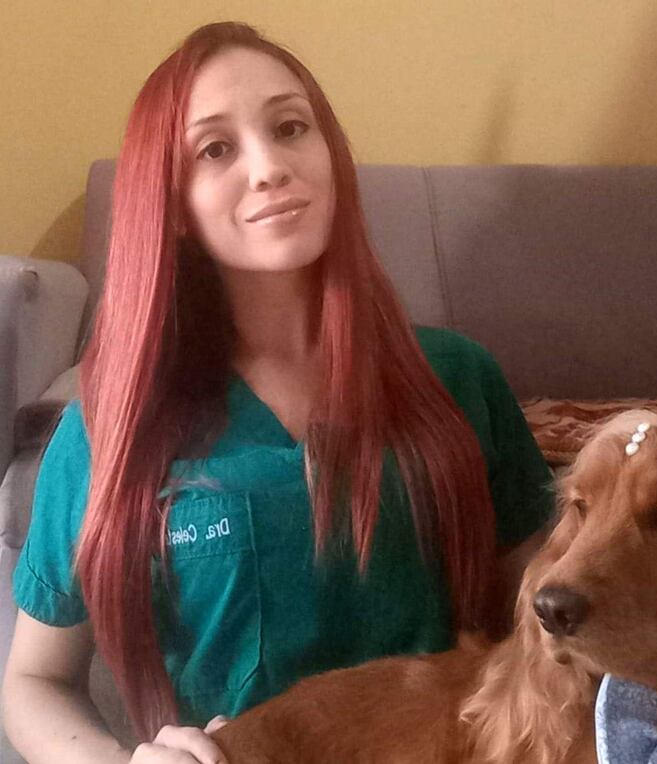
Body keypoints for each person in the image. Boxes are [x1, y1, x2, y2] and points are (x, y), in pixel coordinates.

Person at [1, 21, 553, 764]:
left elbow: (551, 623)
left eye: (291, 127)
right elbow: (34, 680)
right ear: (174, 203)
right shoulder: (112, 428)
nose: (269, 168)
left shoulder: (459, 377)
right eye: (215, 149)